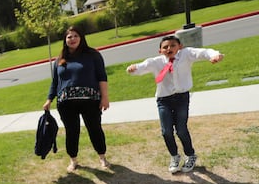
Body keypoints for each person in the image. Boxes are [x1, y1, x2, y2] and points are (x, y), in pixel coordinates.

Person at [126, 35, 224, 173]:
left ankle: (190, 155)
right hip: (163, 100)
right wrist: (133, 68)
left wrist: (215, 55)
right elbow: (142, 66)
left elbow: (203, 52)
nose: (169, 48)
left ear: (180, 46)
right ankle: (174, 156)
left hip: (181, 98)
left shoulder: (186, 54)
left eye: (172, 45)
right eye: (165, 47)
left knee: (181, 129)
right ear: (160, 51)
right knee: (166, 132)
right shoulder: (156, 62)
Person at [42, 26, 110, 172]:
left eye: (75, 36)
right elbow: (55, 82)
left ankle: (102, 157)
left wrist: (105, 98)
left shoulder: (93, 55)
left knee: (95, 129)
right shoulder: (60, 59)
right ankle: (73, 160)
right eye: (69, 37)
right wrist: (49, 99)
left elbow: (102, 77)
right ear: (65, 40)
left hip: (90, 101)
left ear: (81, 38)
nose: (72, 39)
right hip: (66, 104)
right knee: (72, 131)